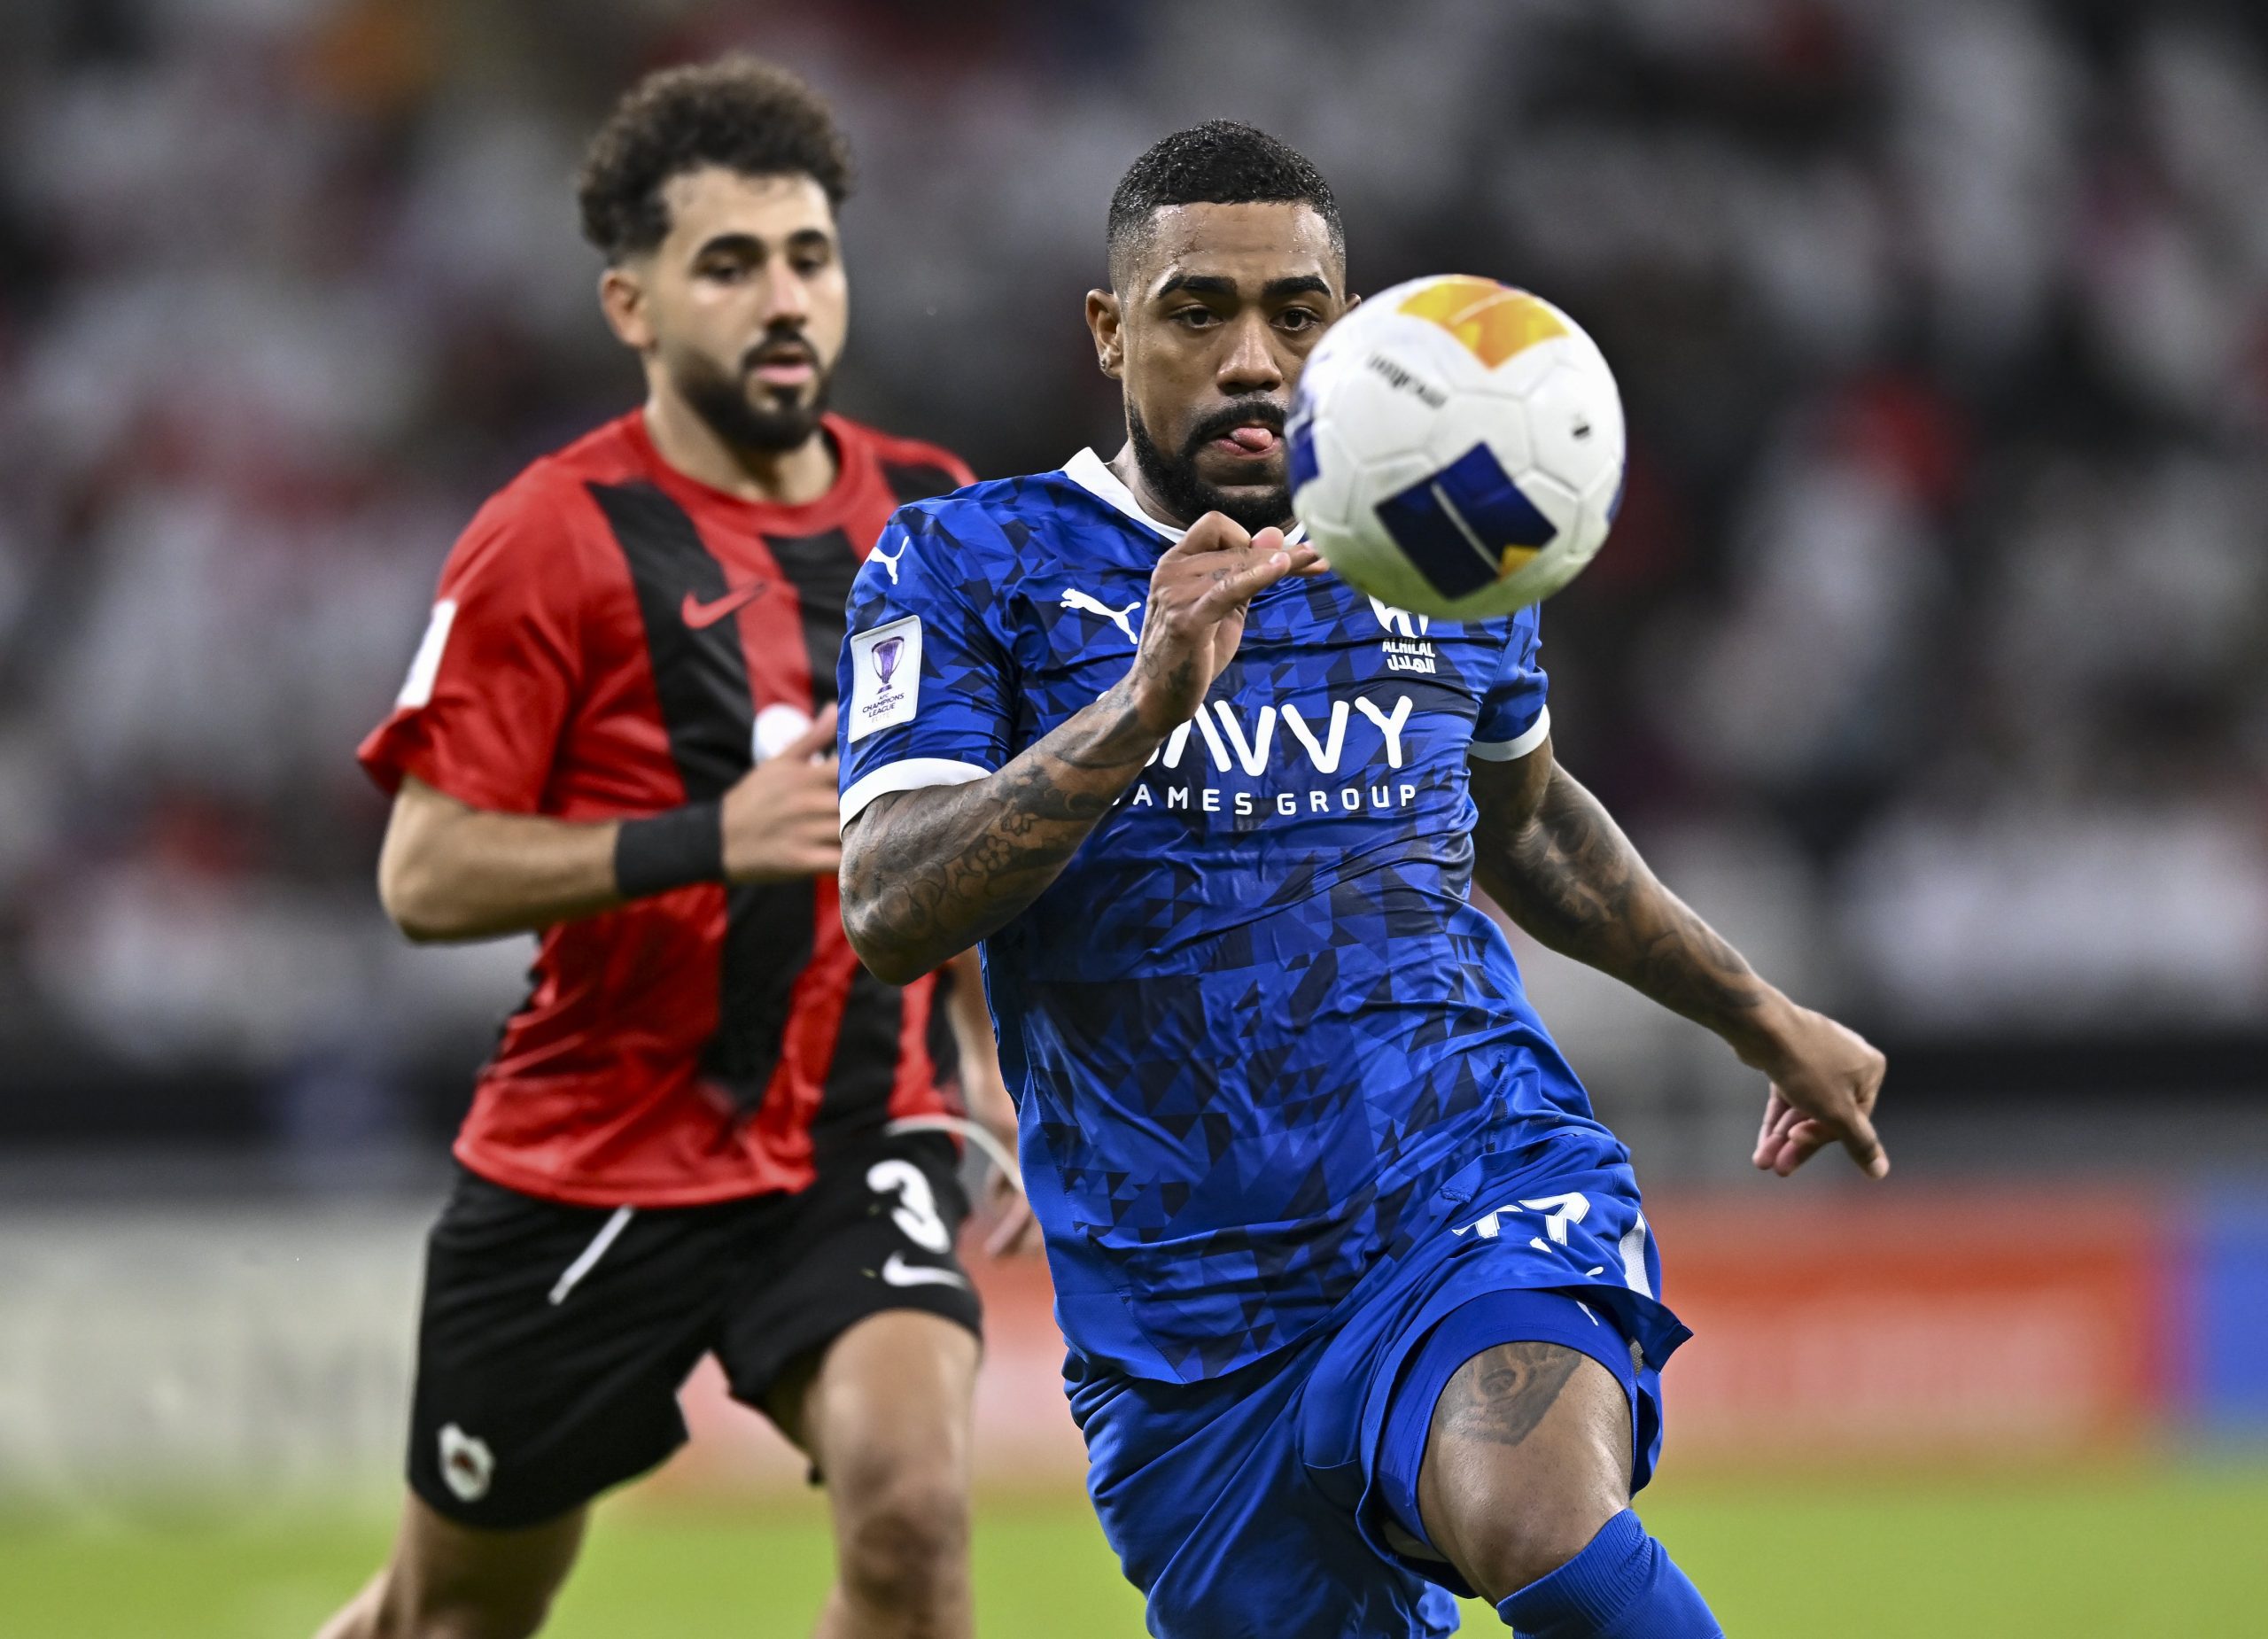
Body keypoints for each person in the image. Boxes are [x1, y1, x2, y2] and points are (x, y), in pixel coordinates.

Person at [835, 121, 1889, 1639]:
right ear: (1109, 328)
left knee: (1541, 1521)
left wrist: (1760, 1013)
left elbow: (1525, 822)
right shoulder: (970, 565)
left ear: (1352, 326)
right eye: (1200, 310)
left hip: (1462, 1189)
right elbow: (889, 903)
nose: (1253, 358)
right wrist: (1140, 705)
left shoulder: (1437, 542)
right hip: (1183, 1325)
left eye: (1298, 314)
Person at [328, 58, 1014, 1639]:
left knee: (913, 1516)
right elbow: (422, 874)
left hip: (860, 1130)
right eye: (730, 265)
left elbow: (966, 813)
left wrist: (978, 1042)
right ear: (631, 305)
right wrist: (709, 838)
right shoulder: (548, 536)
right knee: (453, 1613)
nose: (783, 299)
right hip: (592, 1160)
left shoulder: (935, 516)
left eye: (808, 256)